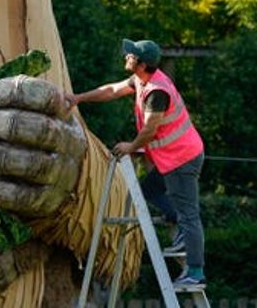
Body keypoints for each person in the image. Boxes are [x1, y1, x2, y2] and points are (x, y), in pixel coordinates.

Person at [68, 38, 207, 290]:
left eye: (130, 55)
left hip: (182, 158)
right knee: (149, 191)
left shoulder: (156, 93)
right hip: (171, 156)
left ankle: (196, 272)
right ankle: (177, 223)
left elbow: (150, 130)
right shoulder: (141, 80)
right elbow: (112, 90)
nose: (126, 57)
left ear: (141, 64)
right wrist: (78, 98)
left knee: (189, 215)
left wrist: (130, 147)